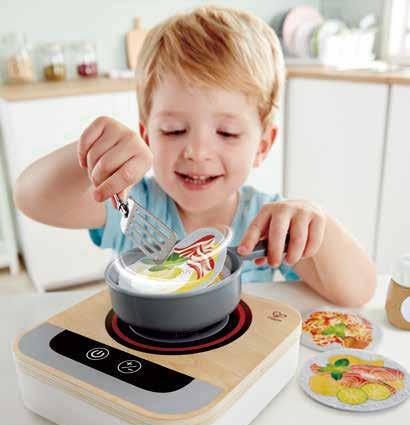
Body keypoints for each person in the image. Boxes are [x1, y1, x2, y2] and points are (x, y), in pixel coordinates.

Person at [14, 5, 376, 306]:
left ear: (263, 146)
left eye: (227, 133)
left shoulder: (269, 225)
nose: (197, 152)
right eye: (173, 130)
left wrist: (315, 221)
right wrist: (93, 157)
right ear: (147, 136)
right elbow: (32, 199)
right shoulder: (133, 205)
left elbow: (359, 291)